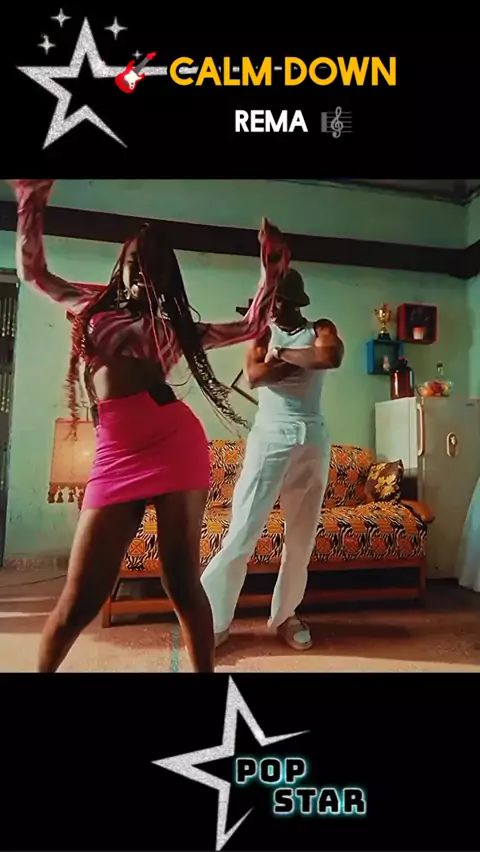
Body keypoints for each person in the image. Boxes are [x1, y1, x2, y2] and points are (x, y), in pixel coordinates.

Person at [10, 178, 290, 673]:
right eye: (137, 261)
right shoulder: (90, 305)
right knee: (82, 596)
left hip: (174, 444)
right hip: (117, 455)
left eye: (155, 265)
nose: (144, 270)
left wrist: (270, 273)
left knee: (181, 580)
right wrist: (31, 202)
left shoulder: (175, 328)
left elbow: (249, 326)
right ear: (121, 263)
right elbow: (33, 273)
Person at [201, 268, 344, 651]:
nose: (270, 306)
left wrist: (280, 355)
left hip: (312, 438)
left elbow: (331, 355)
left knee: (301, 537)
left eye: (276, 298)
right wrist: (304, 358)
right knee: (243, 530)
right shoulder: (262, 332)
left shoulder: (320, 327)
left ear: (293, 301)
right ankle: (214, 620)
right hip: (270, 437)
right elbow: (254, 375)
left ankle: (286, 615)